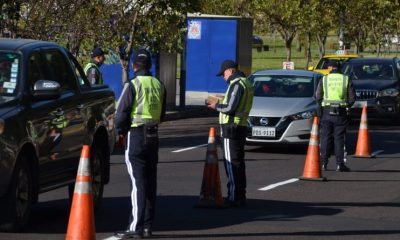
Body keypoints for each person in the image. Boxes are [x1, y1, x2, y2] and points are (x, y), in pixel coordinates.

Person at [114, 49, 166, 239]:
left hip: (135, 135)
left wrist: (120, 131)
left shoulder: (132, 84)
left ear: (135, 66)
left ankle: (134, 227)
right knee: (150, 181)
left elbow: (121, 114)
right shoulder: (159, 84)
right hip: (154, 135)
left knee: (137, 183)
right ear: (149, 66)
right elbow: (162, 114)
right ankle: (147, 226)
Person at [207, 60, 254, 207]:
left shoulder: (236, 84)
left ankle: (234, 196)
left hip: (230, 127)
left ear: (231, 71)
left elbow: (230, 108)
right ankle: (240, 195)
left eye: (224, 73)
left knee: (231, 163)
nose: (223, 77)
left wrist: (216, 105)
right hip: (240, 126)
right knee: (238, 162)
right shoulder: (246, 83)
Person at [315, 60, 355, 172]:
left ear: (331, 68)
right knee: (339, 139)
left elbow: (317, 96)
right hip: (340, 113)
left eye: (328, 67)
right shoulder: (346, 79)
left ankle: (324, 163)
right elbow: (352, 98)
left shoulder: (324, 79)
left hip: (326, 112)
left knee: (325, 137)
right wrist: (345, 105)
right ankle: (339, 164)